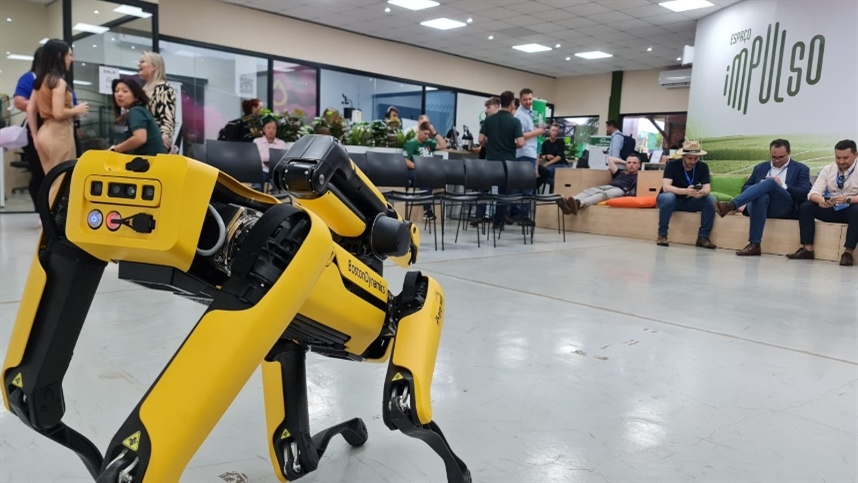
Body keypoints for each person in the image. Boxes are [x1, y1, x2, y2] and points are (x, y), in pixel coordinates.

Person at [714, 139, 811, 256]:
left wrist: (783, 185)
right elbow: (745, 188)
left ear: (789, 153)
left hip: (784, 207)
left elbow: (803, 193)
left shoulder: (801, 169)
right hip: (760, 207)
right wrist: (760, 185)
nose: (777, 160)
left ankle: (731, 205)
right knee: (761, 195)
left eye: (781, 157)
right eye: (774, 157)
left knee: (770, 183)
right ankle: (754, 245)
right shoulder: (760, 168)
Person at [26, 39, 89, 201]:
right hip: (59, 133)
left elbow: (30, 109)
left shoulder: (40, 81)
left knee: (50, 180)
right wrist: (77, 109)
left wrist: (34, 135)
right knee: (62, 181)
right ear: (60, 56)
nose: (72, 59)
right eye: (69, 55)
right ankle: (50, 224)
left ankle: (45, 220)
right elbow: (58, 113)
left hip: (43, 133)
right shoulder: (58, 83)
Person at [787, 139, 858, 266]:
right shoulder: (828, 169)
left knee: (857, 209)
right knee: (806, 206)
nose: (841, 162)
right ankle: (807, 249)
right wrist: (820, 201)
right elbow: (813, 193)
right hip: (832, 206)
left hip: (851, 208)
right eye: (838, 158)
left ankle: (848, 253)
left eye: (845, 158)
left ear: (856, 155)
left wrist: (848, 200)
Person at [656, 140, 716, 248]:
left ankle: (703, 237)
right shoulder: (672, 165)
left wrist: (702, 193)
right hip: (671, 200)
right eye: (689, 158)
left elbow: (707, 188)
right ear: (683, 156)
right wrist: (685, 191)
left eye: (695, 158)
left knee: (711, 200)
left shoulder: (703, 167)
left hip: (689, 200)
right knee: (669, 197)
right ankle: (662, 235)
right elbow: (666, 187)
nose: (693, 161)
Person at [479, 91, 524, 230]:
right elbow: (521, 143)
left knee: (485, 189)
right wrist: (511, 146)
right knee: (503, 192)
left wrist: (490, 146)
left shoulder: (489, 119)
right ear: (512, 104)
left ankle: (480, 216)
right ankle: (498, 222)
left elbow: (480, 139)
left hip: (491, 161)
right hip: (507, 162)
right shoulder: (515, 121)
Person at [13, 46, 44, 207]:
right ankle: (41, 212)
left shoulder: (58, 81)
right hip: (35, 130)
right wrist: (46, 106)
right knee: (39, 172)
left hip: (57, 131)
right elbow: (19, 102)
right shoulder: (29, 78)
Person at [558, 154, 640, 215]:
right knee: (589, 190)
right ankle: (569, 202)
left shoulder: (640, 176)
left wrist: (629, 163)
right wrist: (626, 163)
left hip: (621, 190)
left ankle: (580, 203)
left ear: (639, 165)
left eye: (634, 163)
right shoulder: (620, 173)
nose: (631, 164)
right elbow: (610, 159)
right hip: (609, 186)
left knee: (603, 194)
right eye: (629, 162)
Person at [512, 88, 545, 224]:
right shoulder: (520, 115)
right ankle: (521, 215)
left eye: (530, 99)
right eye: (525, 99)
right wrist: (537, 132)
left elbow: (528, 131)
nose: (528, 102)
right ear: (520, 100)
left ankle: (518, 214)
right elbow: (520, 135)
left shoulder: (529, 114)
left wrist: (536, 129)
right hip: (524, 153)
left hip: (530, 152)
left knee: (524, 185)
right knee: (525, 186)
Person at [109, 78, 167, 156]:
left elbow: (140, 138)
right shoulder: (138, 111)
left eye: (125, 91)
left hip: (149, 163)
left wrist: (114, 149)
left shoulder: (136, 112)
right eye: (116, 91)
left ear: (136, 95)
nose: (119, 94)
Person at [402, 120, 446, 220]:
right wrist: (419, 167)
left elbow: (443, 145)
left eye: (428, 134)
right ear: (419, 131)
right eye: (425, 133)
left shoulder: (429, 143)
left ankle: (428, 210)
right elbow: (405, 160)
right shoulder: (411, 143)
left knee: (431, 177)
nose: (427, 136)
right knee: (426, 178)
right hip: (414, 171)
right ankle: (427, 210)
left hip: (428, 172)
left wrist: (434, 133)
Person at [138, 51, 177, 152]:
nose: (139, 64)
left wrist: (164, 137)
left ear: (154, 66)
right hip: (142, 140)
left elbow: (168, 117)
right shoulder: (145, 89)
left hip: (154, 142)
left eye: (142, 62)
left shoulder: (163, 89)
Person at [253, 116, 288, 187]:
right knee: (257, 179)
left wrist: (268, 160)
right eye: (268, 128)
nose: (271, 130)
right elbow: (256, 157)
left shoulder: (281, 143)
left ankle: (276, 194)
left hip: (275, 171)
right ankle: (257, 193)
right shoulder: (257, 141)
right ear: (264, 129)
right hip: (261, 170)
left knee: (278, 183)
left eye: (274, 128)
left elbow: (283, 159)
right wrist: (269, 159)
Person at [538, 123, 568, 193]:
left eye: (556, 131)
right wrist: (546, 156)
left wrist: (547, 164)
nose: (554, 132)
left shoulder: (561, 142)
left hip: (561, 164)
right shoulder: (545, 143)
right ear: (549, 131)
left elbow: (559, 157)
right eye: (553, 130)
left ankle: (558, 186)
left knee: (566, 174)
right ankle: (557, 185)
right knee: (544, 174)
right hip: (551, 165)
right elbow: (541, 155)